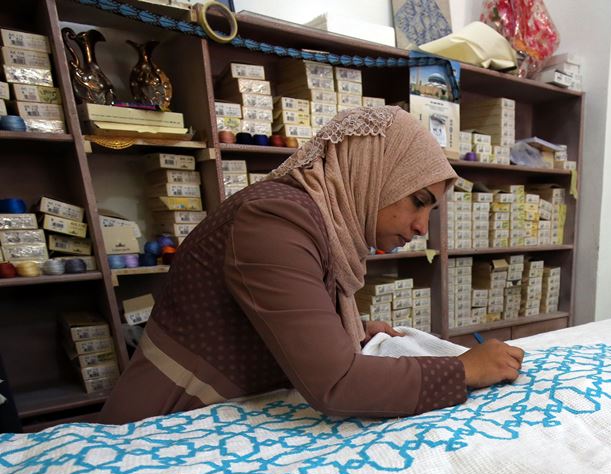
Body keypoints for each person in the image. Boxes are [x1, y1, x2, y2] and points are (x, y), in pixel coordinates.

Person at [99, 107, 523, 424]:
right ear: (372, 171)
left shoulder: (312, 218)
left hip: (225, 412)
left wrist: (343, 330)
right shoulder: (274, 221)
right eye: (419, 202)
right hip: (167, 422)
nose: (419, 227)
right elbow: (338, 385)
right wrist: (465, 368)